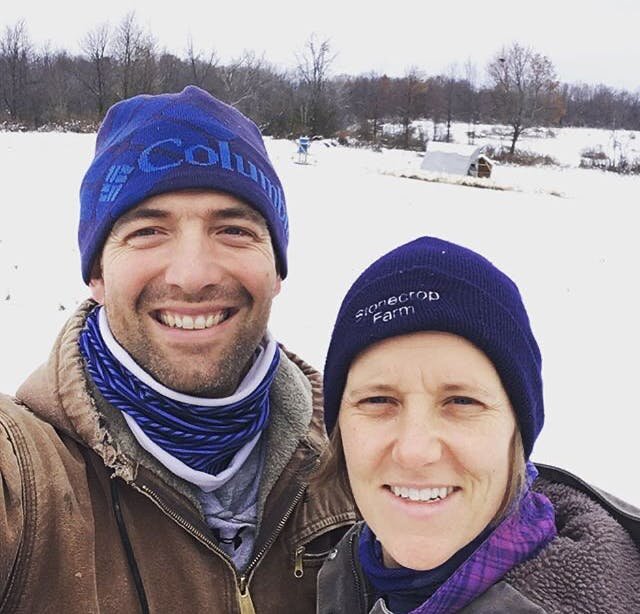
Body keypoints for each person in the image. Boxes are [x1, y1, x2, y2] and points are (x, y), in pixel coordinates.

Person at [0, 86, 356, 613]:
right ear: (97, 273)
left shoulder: (359, 461)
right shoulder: (26, 478)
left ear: (276, 269)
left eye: (233, 229)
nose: (192, 276)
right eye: (147, 231)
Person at [316, 236, 640, 613]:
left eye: (462, 401)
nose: (415, 451)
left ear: (516, 430)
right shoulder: (347, 578)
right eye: (378, 400)